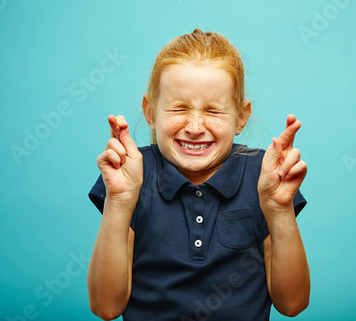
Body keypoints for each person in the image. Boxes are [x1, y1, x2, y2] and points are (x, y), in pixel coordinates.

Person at [87, 29, 310, 321]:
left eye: (213, 111)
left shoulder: (264, 176)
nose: (194, 127)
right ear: (150, 111)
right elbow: (106, 307)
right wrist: (119, 201)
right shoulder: (130, 173)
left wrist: (279, 210)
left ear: (241, 117)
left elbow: (292, 304)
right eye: (179, 108)